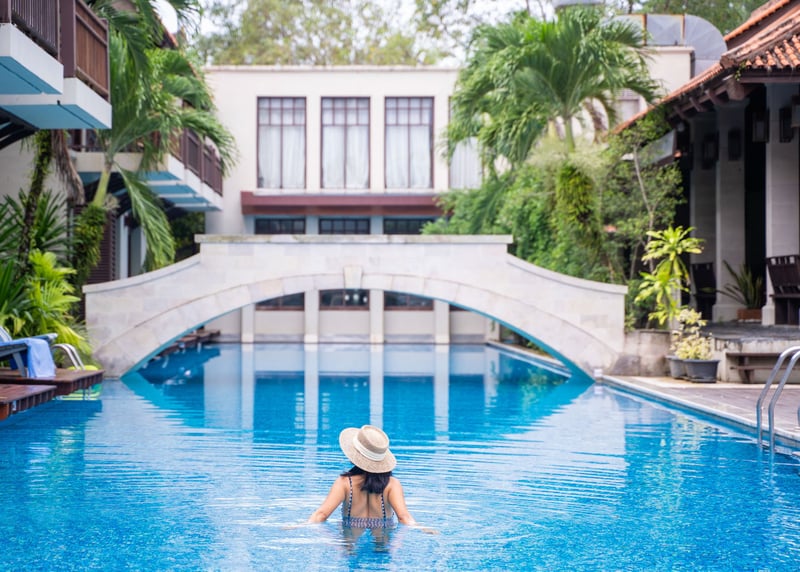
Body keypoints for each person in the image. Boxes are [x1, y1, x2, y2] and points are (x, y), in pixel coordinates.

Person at [308, 425, 423, 530]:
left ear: (354, 455)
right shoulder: (392, 484)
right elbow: (404, 518)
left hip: (351, 539)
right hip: (382, 538)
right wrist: (423, 529)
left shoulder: (344, 483)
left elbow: (321, 515)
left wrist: (301, 526)